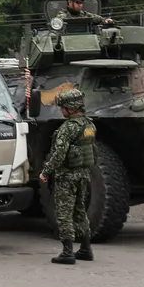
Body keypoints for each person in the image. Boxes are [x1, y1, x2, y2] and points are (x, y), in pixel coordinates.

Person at [37, 88, 96, 265]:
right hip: (83, 174)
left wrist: (46, 172)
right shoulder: (89, 125)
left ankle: (67, 252)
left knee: (63, 213)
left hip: (67, 176)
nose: (61, 110)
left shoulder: (67, 128)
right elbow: (93, 150)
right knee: (80, 211)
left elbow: (59, 154)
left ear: (70, 108)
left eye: (62, 107)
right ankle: (86, 248)